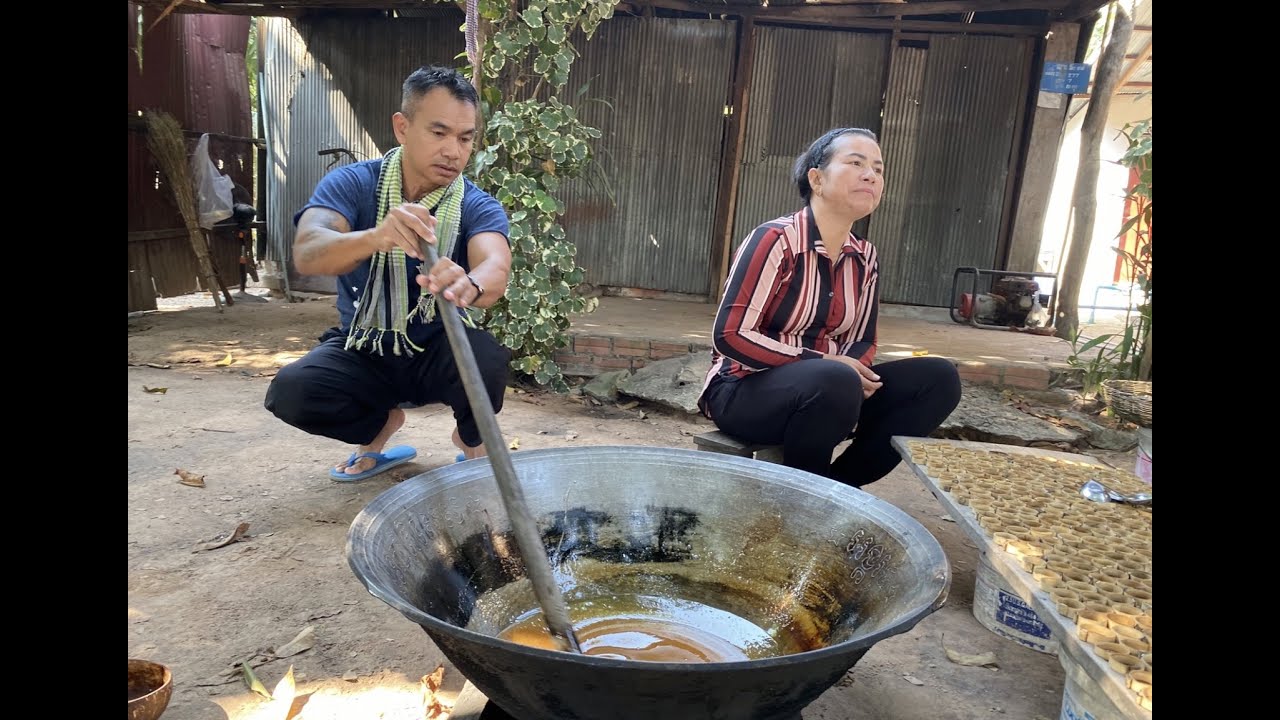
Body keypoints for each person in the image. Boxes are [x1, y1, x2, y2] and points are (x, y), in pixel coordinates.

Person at [264, 65, 512, 482]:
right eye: (439, 133)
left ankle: (472, 441)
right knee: (292, 392)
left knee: (486, 359)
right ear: (402, 127)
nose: (454, 151)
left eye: (465, 138)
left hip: (439, 344)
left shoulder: (475, 204)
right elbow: (308, 252)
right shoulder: (353, 184)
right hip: (365, 344)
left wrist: (469, 284)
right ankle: (379, 426)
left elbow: (496, 267)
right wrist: (376, 237)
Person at [697, 127, 961, 488]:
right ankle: (808, 500)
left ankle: (836, 490)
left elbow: (863, 340)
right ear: (817, 179)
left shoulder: (865, 257)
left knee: (938, 379)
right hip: (744, 391)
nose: (871, 174)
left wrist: (855, 373)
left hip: (833, 394)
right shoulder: (776, 240)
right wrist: (825, 364)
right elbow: (730, 335)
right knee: (832, 379)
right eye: (856, 163)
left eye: (878, 169)